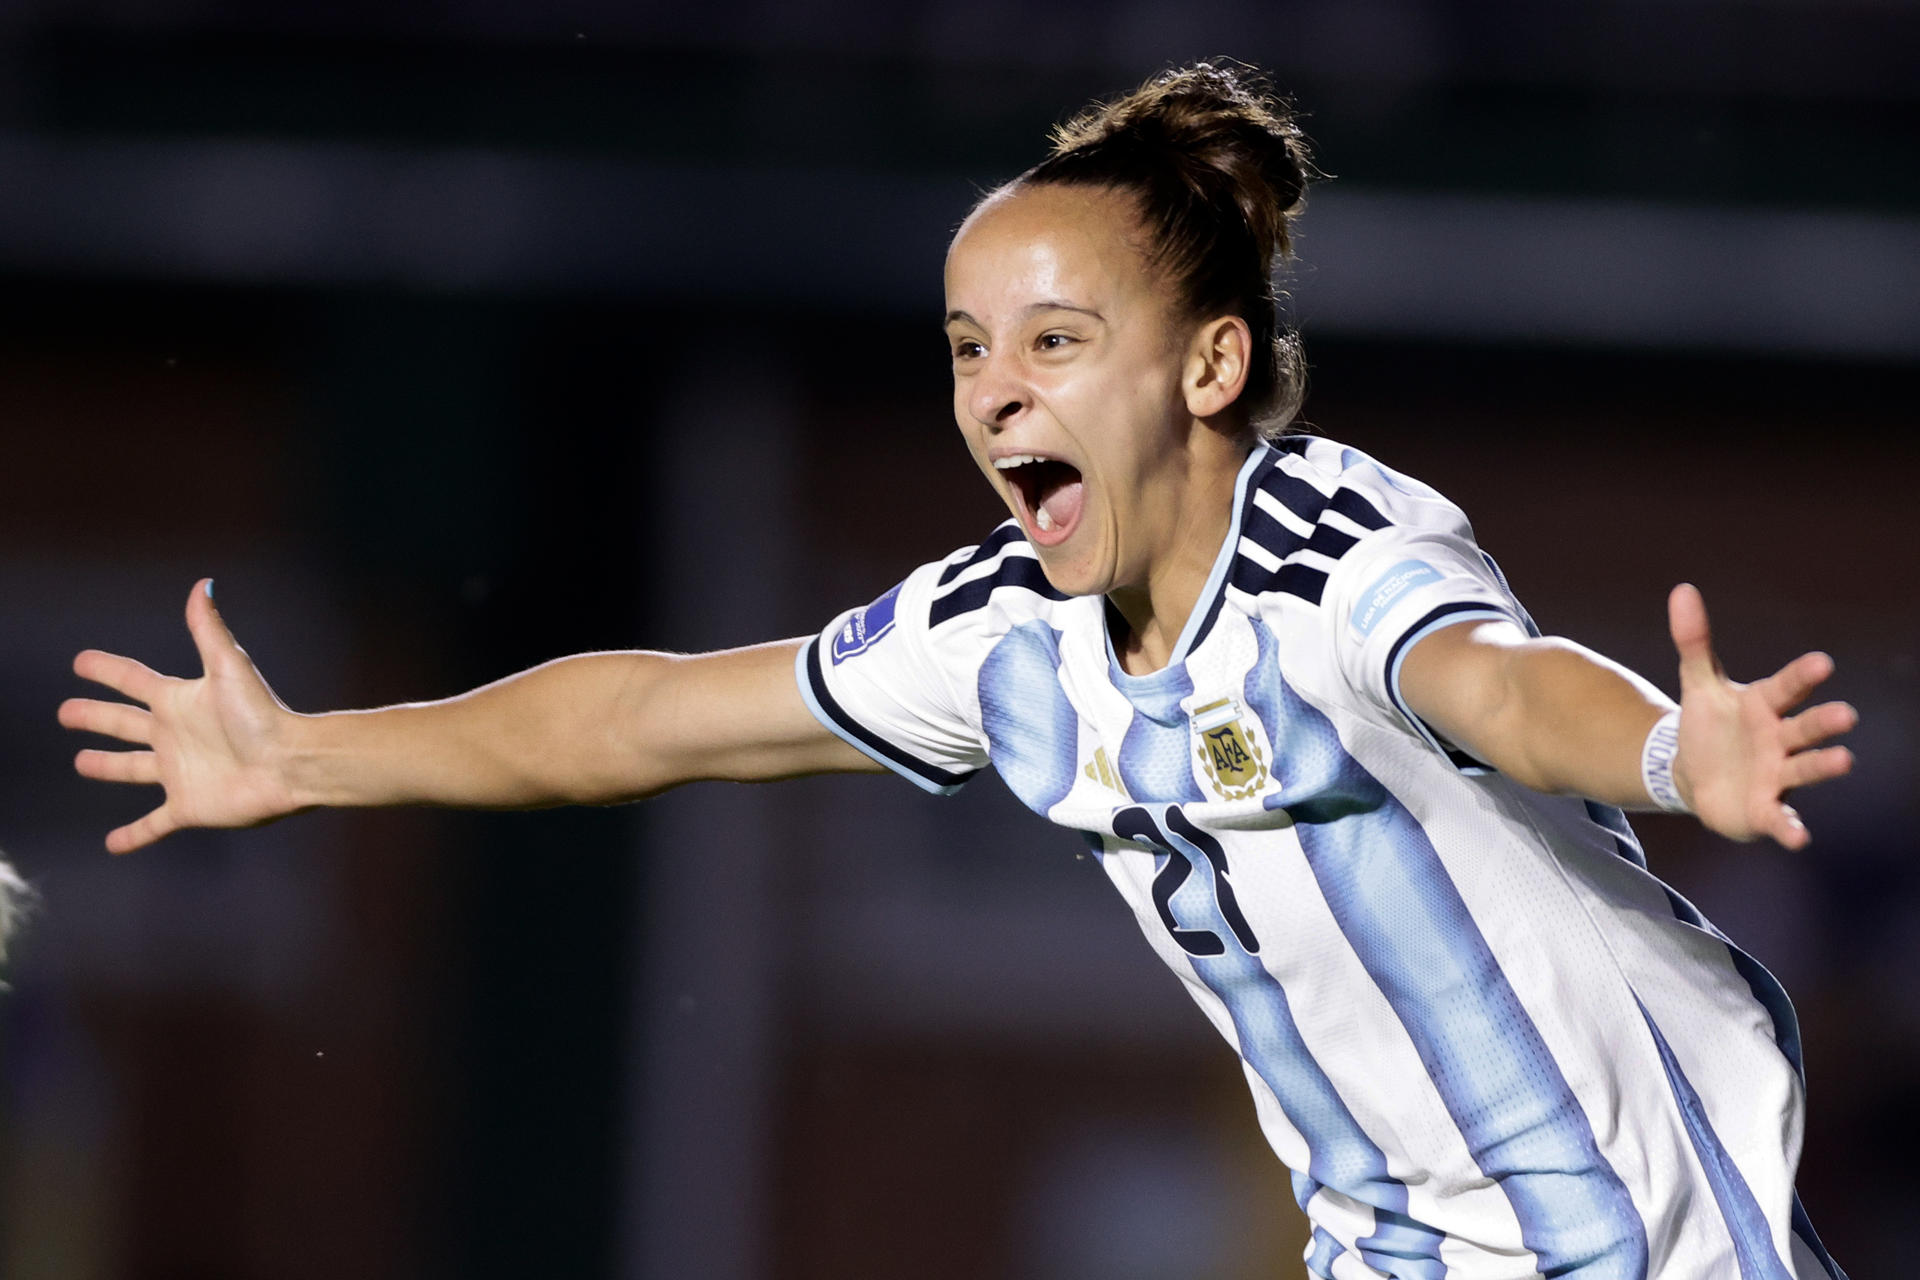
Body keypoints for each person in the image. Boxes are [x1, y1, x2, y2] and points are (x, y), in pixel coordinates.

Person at [60, 62, 1856, 1280]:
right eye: (966, 346)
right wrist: (311, 759)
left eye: (1057, 340)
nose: (996, 388)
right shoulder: (1002, 633)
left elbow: (1496, 685)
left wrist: (1667, 757)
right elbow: (642, 716)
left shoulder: (1332, 555)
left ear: (1209, 367)